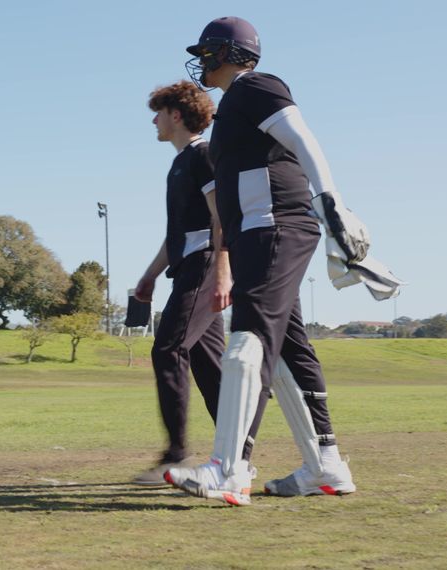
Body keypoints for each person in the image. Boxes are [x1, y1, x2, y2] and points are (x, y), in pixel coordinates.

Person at [165, 16, 364, 505]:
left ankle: (228, 470)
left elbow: (303, 138)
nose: (201, 60)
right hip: (261, 233)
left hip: (275, 228)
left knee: (245, 343)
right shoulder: (235, 102)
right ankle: (325, 468)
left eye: (207, 51)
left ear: (226, 53)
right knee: (288, 356)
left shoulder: (256, 86)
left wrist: (331, 199)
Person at [132, 80, 265, 485]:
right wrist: (150, 275)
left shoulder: (203, 155)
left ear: (176, 115)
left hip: (205, 267)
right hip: (188, 266)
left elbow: (221, 216)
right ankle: (236, 458)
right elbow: (179, 234)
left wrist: (223, 272)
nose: (154, 120)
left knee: (168, 349)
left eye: (159, 111)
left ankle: (176, 456)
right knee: (210, 370)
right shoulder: (178, 163)